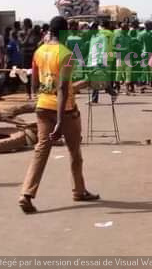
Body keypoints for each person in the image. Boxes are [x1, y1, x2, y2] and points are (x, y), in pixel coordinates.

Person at [19, 16, 99, 214]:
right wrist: (60, 120)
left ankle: (26, 194)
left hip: (43, 106)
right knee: (74, 152)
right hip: (66, 110)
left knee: (41, 150)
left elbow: (35, 81)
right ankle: (79, 190)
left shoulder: (39, 51)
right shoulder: (66, 54)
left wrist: (40, 96)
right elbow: (62, 87)